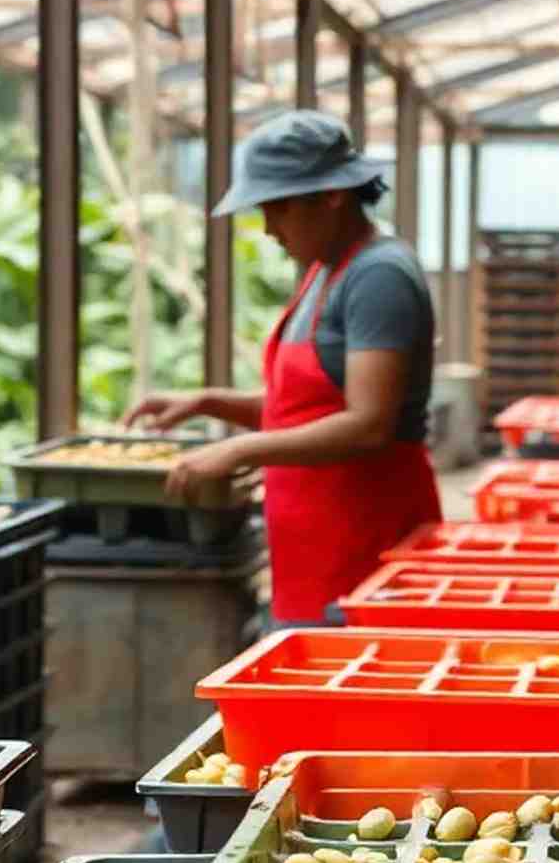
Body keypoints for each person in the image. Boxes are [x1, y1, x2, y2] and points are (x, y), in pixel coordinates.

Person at [125, 109, 442, 626]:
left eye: (278, 208)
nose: (269, 228)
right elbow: (306, 410)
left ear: (333, 195)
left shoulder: (379, 276)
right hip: (315, 548)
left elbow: (368, 424)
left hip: (367, 547)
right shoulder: (327, 270)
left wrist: (236, 449)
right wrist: (209, 403)